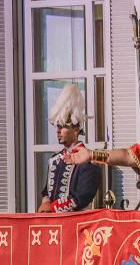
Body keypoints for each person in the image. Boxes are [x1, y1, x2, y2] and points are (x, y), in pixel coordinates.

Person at [38, 84, 100, 213]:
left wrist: (52, 208)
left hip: (75, 223)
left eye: (63, 127)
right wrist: (45, 202)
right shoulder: (54, 159)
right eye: (57, 127)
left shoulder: (89, 161)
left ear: (76, 129)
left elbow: (83, 197)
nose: (58, 131)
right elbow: (46, 191)